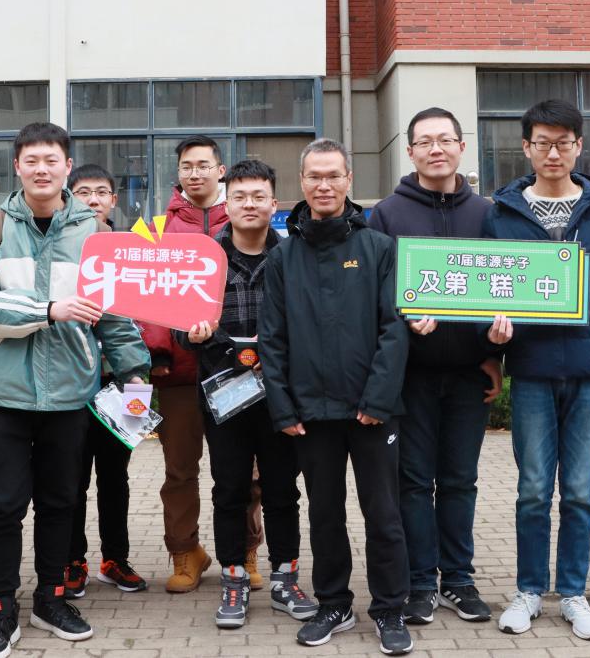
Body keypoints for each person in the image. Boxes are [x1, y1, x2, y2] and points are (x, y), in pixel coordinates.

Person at [0, 123, 151, 658]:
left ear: (68, 166)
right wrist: (49, 310)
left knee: (60, 502)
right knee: (0, 505)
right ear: (17, 167)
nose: (41, 169)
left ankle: (51, 598)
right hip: (1, 393)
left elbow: (114, 315)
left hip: (71, 391)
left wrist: (135, 372)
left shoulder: (96, 235)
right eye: (31, 160)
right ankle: (1, 608)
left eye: (51, 160)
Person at [481, 100, 590, 641]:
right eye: (542, 143)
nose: (553, 153)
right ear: (526, 147)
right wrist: (492, 337)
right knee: (533, 489)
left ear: (579, 147)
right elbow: (486, 292)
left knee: (579, 491)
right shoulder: (501, 214)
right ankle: (529, 591)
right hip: (531, 369)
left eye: (563, 143)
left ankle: (573, 593)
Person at [261, 138, 414, 655]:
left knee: (383, 515)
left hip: (372, 411)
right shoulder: (283, 257)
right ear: (301, 183)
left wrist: (377, 400)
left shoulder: (379, 249)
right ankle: (334, 604)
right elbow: (272, 339)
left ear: (350, 179)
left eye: (333, 176)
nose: (323, 185)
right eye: (314, 176)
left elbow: (394, 330)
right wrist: (283, 406)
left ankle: (389, 608)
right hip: (310, 413)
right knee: (324, 514)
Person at [368, 107, 512, 626]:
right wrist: (404, 320)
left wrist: (493, 354)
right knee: (412, 482)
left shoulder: (488, 214)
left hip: (469, 374)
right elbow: (374, 294)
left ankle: (458, 579)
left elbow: (504, 287)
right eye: (425, 141)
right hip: (410, 374)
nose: (436, 149)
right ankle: (420, 582)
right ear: (409, 152)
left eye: (445, 139)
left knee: (459, 480)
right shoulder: (387, 215)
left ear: (461, 147)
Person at [176, 159, 320, 629]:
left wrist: (278, 352)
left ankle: (285, 579)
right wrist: (195, 335)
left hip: (281, 394)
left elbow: (313, 322)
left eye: (259, 196)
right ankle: (233, 579)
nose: (249, 204)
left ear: (274, 203)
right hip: (224, 395)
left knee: (282, 490)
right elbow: (180, 329)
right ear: (228, 203)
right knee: (229, 490)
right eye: (239, 196)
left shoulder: (295, 256)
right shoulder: (204, 260)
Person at [140, 136, 265, 593]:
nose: (195, 173)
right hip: (178, 372)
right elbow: (145, 297)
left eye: (203, 165)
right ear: (178, 173)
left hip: (237, 372)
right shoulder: (155, 228)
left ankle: (247, 551)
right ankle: (185, 552)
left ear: (221, 170)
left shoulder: (243, 220)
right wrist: (157, 353)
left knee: (247, 471)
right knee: (179, 471)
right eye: (187, 166)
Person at [62, 164, 148, 595]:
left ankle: (115, 558)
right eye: (83, 192)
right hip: (71, 382)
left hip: (122, 382)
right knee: (71, 478)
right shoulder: (60, 250)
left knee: (116, 477)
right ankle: (72, 560)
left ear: (114, 201)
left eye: (101, 192)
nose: (92, 199)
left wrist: (141, 378)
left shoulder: (133, 251)